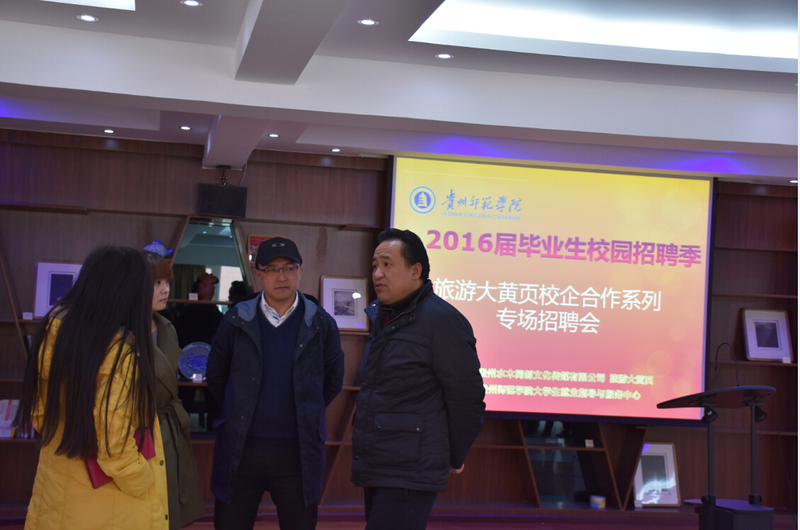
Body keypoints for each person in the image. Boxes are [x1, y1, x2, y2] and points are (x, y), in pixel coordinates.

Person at [14, 246, 169, 530]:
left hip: (57, 491)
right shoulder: (120, 352)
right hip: (110, 509)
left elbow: (39, 417)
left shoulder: (54, 334)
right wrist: (144, 479)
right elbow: (115, 450)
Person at [351, 229, 486, 530]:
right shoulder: (384, 316)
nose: (377, 273)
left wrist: (455, 455)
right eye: (375, 265)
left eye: (387, 264)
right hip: (379, 462)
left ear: (415, 271)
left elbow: (467, 398)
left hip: (410, 470)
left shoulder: (441, 320)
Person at [206, 237, 345, 530]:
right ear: (259, 274)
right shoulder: (236, 319)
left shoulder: (321, 323)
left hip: (298, 454)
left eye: (289, 268)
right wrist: (237, 409)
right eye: (272, 269)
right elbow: (217, 376)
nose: (282, 276)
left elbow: (333, 380)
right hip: (241, 451)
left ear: (300, 271)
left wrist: (307, 410)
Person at [144, 251, 206, 529]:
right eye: (157, 283)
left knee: (170, 508)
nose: (166, 289)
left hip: (169, 426)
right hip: (137, 432)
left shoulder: (167, 327)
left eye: (167, 282)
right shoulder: (118, 332)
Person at [173, 273, 224, 348]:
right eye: (206, 287)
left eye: (212, 287)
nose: (210, 290)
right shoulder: (187, 313)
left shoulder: (215, 313)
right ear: (199, 289)